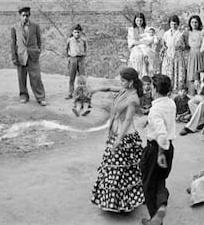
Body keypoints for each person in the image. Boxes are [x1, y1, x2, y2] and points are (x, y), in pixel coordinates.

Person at [91, 67, 144, 212]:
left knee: (121, 169)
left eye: (123, 80)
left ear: (131, 82)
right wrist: (95, 90)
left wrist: (118, 141)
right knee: (116, 167)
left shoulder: (132, 99)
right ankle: (114, 201)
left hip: (124, 136)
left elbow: (127, 121)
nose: (120, 82)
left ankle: (122, 203)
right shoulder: (124, 90)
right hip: (116, 131)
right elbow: (109, 88)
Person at [140, 74, 176, 225]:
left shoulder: (156, 110)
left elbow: (161, 134)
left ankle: (155, 219)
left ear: (154, 88)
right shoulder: (170, 103)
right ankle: (162, 204)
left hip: (156, 149)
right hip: (169, 149)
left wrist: (160, 153)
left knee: (148, 184)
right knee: (160, 179)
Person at [11, 7, 46, 106]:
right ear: (20, 16)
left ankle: (40, 97)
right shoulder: (14, 27)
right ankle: (23, 95)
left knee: (36, 77)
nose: (25, 17)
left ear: (29, 15)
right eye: (23, 15)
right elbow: (12, 43)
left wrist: (37, 51)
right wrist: (14, 57)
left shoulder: (35, 26)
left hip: (33, 55)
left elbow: (39, 41)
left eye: (27, 15)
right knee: (21, 77)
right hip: (21, 55)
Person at [161, 15, 186, 93]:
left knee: (178, 73)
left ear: (177, 24)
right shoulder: (166, 34)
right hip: (168, 55)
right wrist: (164, 48)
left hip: (178, 55)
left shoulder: (181, 34)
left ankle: (177, 90)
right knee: (168, 72)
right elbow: (164, 44)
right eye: (172, 24)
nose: (173, 26)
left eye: (175, 24)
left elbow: (184, 46)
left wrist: (179, 46)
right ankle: (168, 89)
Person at [127, 12, 154, 77]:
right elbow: (132, 42)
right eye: (137, 20)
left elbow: (150, 39)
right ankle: (137, 76)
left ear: (143, 21)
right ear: (135, 20)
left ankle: (146, 76)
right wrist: (142, 42)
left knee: (146, 56)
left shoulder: (147, 29)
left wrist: (144, 42)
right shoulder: (131, 30)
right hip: (136, 47)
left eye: (140, 20)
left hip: (146, 47)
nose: (139, 22)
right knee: (138, 55)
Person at [65, 24, 87, 100]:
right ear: (72, 32)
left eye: (78, 32)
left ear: (81, 32)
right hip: (73, 59)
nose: (77, 34)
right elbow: (66, 49)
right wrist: (69, 58)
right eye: (75, 32)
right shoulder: (70, 40)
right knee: (72, 77)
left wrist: (83, 57)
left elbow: (86, 49)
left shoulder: (83, 40)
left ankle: (82, 94)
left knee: (82, 78)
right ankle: (70, 93)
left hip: (81, 59)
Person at [186, 15, 204, 92]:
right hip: (191, 55)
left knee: (199, 73)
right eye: (192, 22)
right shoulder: (187, 33)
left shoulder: (202, 33)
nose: (194, 24)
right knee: (191, 75)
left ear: (199, 23)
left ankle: (199, 92)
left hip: (200, 55)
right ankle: (191, 92)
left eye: (196, 22)